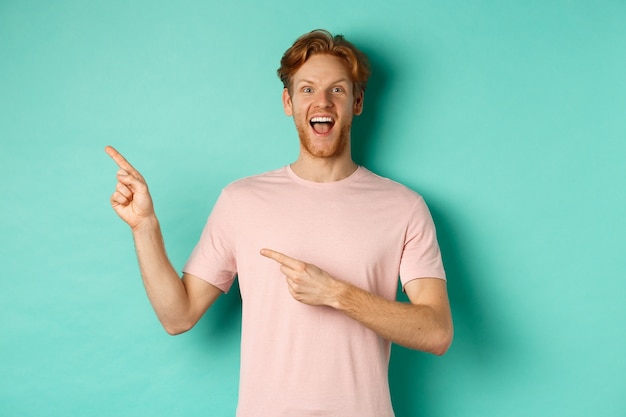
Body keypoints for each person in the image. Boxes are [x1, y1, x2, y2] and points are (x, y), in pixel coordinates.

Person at [106, 29, 453, 417]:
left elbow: (437, 331)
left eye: (337, 90)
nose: (322, 101)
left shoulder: (404, 207)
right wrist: (144, 228)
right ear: (288, 101)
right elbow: (178, 316)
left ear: (357, 101)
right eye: (307, 89)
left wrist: (337, 294)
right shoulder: (241, 200)